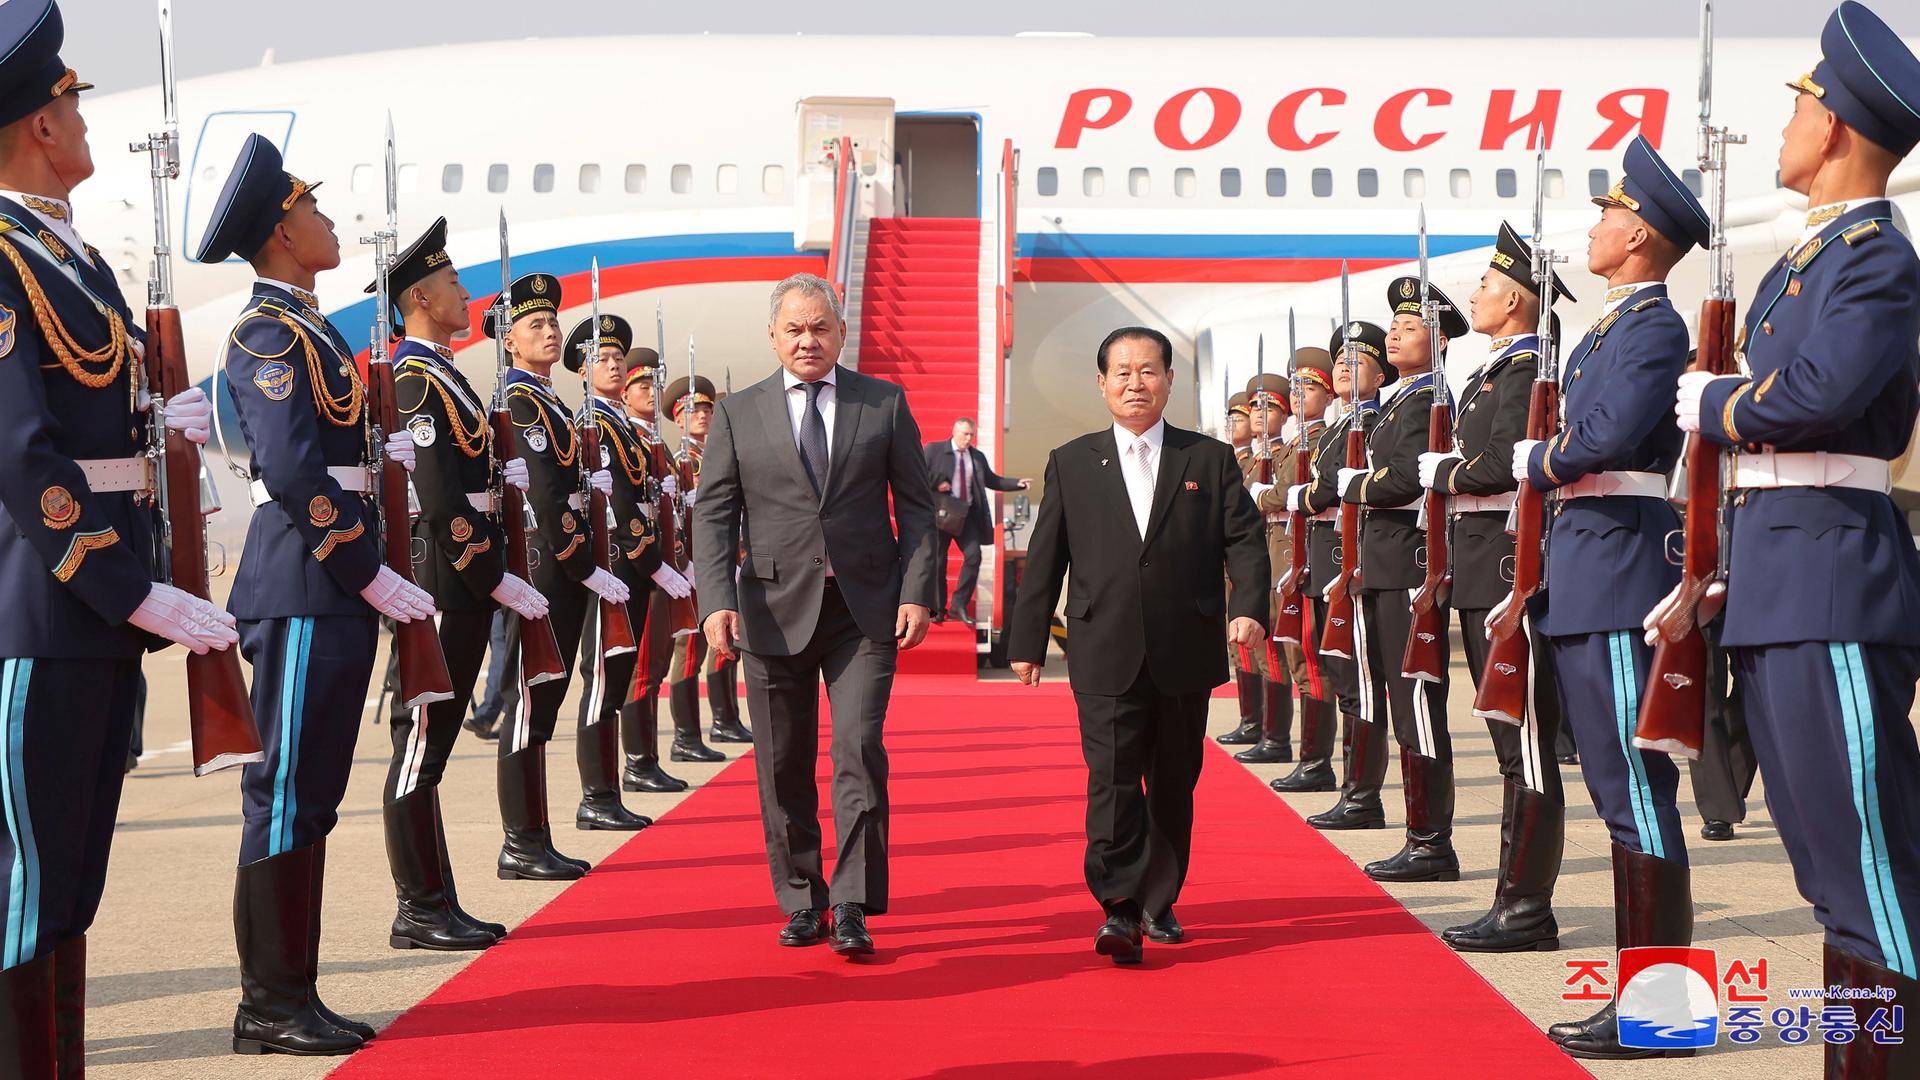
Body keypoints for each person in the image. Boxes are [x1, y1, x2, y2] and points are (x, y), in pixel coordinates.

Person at [1681, 5, 1920, 1071]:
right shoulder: (1807, 260)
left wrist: (1717, 403)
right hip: (1780, 573)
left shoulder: (1873, 259)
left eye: (1800, 105)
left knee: (1872, 865)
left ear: (1834, 132)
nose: (1785, 124)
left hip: (1830, 575)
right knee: (1828, 871)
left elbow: (1817, 394)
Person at [0, 3, 237, 1068]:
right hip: (43, 608)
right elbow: (18, 454)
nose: (85, 122)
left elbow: (90, 413)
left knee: (73, 885)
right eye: (70, 104)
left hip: (92, 615)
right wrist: (125, 587)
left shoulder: (75, 259)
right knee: (24, 890)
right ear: (39, 126)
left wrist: (159, 424)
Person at [196, 133, 435, 1055]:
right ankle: (269, 1001)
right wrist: (364, 568)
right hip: (304, 585)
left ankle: (293, 988)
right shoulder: (267, 333)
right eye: (315, 209)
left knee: (316, 792)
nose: (330, 221)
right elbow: (294, 470)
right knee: (286, 792)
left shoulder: (312, 328)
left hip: (329, 586)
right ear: (283, 233)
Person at [1515, 141, 1703, 1058]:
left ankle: (1661, 1010)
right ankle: (1647, 1003)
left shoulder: (1651, 329)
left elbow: (1608, 433)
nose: (1591, 228)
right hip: (1589, 567)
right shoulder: (1608, 327)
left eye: (1604, 216)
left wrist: (1541, 457)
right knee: (1616, 789)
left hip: (1622, 571)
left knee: (1637, 790)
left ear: (1637, 234)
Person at [693, 272, 937, 958]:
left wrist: (917, 590)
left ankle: (853, 901)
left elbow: (916, 507)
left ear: (841, 334)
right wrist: (714, 601)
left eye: (820, 328)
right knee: (782, 762)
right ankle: (803, 899)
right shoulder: (739, 413)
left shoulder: (883, 403)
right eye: (795, 329)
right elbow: (713, 513)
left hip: (864, 611)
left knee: (857, 751)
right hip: (769, 608)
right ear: (773, 336)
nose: (808, 340)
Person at [1008, 325, 1268, 965]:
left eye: (1148, 370)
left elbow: (1246, 542)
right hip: (1103, 644)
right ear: (1101, 384)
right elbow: (1046, 557)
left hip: (1185, 643)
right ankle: (1119, 907)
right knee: (1113, 780)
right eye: (1121, 372)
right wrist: (1029, 640)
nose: (1134, 382)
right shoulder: (1072, 461)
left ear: (1169, 380)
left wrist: (1249, 610)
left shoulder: (1206, 459)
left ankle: (1160, 897)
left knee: (1175, 780)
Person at [376, 217, 548, 951]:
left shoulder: (444, 371)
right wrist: (492, 576)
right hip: (445, 579)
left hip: (467, 576)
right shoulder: (412, 376)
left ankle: (436, 897)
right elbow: (440, 500)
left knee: (435, 743)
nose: (465, 292)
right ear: (419, 295)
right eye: (452, 283)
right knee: (420, 738)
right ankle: (418, 904)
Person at [1416, 260, 1570, 952]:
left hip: (1508, 569)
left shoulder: (1522, 372)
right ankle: (1513, 897)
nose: (1473, 296)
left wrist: (1446, 471)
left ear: (1513, 298)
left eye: (1483, 286)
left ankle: (1526, 907)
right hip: (1482, 566)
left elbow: (1506, 461)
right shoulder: (1495, 371)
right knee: (1512, 747)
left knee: (1526, 747)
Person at [484, 271, 632, 881]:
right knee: (529, 705)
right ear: (509, 342)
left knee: (543, 704)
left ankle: (535, 835)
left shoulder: (548, 401)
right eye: (535, 326)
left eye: (552, 323)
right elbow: (546, 498)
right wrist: (586, 566)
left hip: (563, 570)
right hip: (546, 570)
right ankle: (521, 841)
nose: (550, 332)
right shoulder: (520, 401)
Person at [565, 312, 689, 828]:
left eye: (619, 358)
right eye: (604, 360)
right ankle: (596, 797)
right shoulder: (592, 422)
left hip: (633, 567)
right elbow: (615, 499)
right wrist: (655, 563)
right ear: (583, 370)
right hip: (614, 565)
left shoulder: (619, 423)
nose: (615, 366)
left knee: (616, 682)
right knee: (602, 681)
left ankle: (609, 791)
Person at [1290, 328, 1390, 824]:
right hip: (1327, 555)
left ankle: (1363, 795)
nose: (1347, 366)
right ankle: (1353, 788)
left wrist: (1306, 497)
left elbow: (1327, 488)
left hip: (1349, 558)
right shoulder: (1336, 427)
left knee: (1358, 682)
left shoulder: (1371, 422)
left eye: (1360, 360)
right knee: (1339, 674)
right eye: (1342, 360)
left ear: (1380, 374)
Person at [1253, 349, 1341, 792]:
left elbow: (1290, 494)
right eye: (1297, 386)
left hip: (1301, 557)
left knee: (1308, 658)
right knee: (1289, 652)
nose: (1300, 394)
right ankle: (1304, 754)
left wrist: (1263, 494)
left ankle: (1316, 761)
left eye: (1310, 387)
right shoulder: (1295, 443)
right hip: (1281, 553)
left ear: (1328, 397)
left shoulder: (1323, 439)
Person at [616, 349, 692, 793]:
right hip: (644, 565)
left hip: (669, 561)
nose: (650, 392)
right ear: (625, 394)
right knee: (642, 667)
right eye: (641, 386)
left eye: (653, 385)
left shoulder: (656, 442)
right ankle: (638, 762)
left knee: (658, 663)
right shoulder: (629, 436)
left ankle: (649, 757)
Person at [662, 374, 733, 762]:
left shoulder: (710, 455)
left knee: (719, 642)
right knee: (688, 648)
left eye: (707, 409)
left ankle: (723, 718)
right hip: (689, 565)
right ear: (677, 417)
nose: (703, 415)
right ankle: (686, 736)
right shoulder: (682, 460)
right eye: (693, 410)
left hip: (715, 562)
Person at [1234, 373, 1298, 764]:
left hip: (1280, 555)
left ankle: (1276, 738)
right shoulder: (1255, 458)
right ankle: (1258, 726)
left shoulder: (1284, 453)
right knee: (1254, 648)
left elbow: (1279, 498)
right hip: (1259, 552)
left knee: (1282, 648)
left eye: (1268, 406)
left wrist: (1262, 494)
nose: (1258, 413)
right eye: (1254, 407)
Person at [923, 417, 1029, 626]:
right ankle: (938, 608)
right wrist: (937, 483)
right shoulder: (934, 450)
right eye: (965, 434)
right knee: (938, 562)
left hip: (967, 515)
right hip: (941, 514)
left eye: (971, 434)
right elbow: (918, 476)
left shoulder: (976, 456)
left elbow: (992, 479)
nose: (968, 438)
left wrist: (1017, 483)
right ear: (954, 432)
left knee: (974, 556)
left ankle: (958, 605)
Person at [1217, 391, 1266, 745]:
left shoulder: (1262, 459)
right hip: (1232, 567)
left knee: (1281, 655)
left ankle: (1271, 732)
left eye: (1241, 417)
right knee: (1239, 647)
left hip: (1274, 561)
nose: (1235, 424)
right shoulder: (1237, 461)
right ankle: (1252, 721)